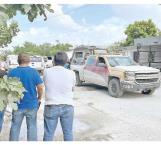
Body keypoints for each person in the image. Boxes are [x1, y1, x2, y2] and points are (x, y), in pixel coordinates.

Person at [8, 53, 43, 141]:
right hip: (31, 104)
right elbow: (40, 87)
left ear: (18, 61)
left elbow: (8, 88)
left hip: (17, 105)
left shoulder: (12, 72)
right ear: (29, 61)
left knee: (15, 127)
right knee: (32, 127)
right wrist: (39, 98)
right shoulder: (34, 72)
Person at [43, 52, 76, 141]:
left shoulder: (46, 71)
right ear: (66, 61)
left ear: (54, 60)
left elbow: (46, 84)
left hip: (51, 105)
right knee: (68, 132)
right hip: (68, 106)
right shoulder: (71, 73)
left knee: (48, 133)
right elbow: (73, 88)